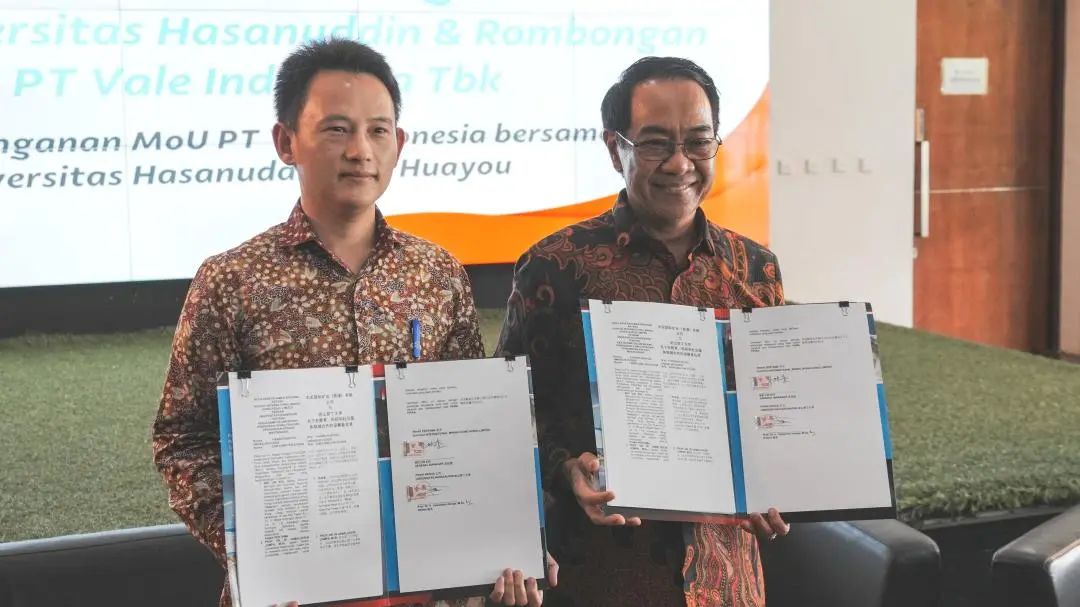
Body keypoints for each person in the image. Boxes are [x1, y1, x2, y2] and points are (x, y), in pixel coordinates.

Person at [153, 38, 553, 607]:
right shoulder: (231, 280)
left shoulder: (436, 272)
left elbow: (470, 428)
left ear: (399, 144)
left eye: (378, 130)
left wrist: (502, 542)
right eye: (337, 129)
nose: (360, 151)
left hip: (428, 589)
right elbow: (184, 439)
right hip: (292, 592)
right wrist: (258, 550)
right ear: (286, 142)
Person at [496, 56, 789, 607]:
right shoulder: (555, 266)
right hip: (600, 575)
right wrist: (565, 468)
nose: (680, 163)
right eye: (656, 143)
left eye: (698, 142)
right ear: (616, 149)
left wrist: (781, 480)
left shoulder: (755, 269)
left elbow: (770, 411)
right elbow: (509, 413)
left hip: (727, 580)